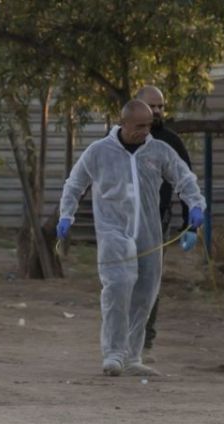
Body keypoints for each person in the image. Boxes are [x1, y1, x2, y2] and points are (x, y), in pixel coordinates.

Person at [58, 99, 206, 377]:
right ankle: (113, 353)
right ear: (122, 123)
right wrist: (67, 214)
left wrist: (195, 205)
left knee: (145, 293)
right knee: (118, 287)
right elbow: (75, 183)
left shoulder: (159, 150)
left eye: (148, 126)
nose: (144, 131)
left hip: (149, 234)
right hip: (113, 232)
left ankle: (132, 355)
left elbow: (184, 178)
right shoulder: (98, 152)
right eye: (139, 126)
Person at [134, 85, 194, 363]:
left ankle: (145, 344)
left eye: (161, 106)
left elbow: (186, 183)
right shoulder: (118, 140)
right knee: (120, 284)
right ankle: (119, 341)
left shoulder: (170, 142)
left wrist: (190, 223)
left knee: (149, 284)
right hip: (122, 225)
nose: (158, 111)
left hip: (157, 224)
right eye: (152, 106)